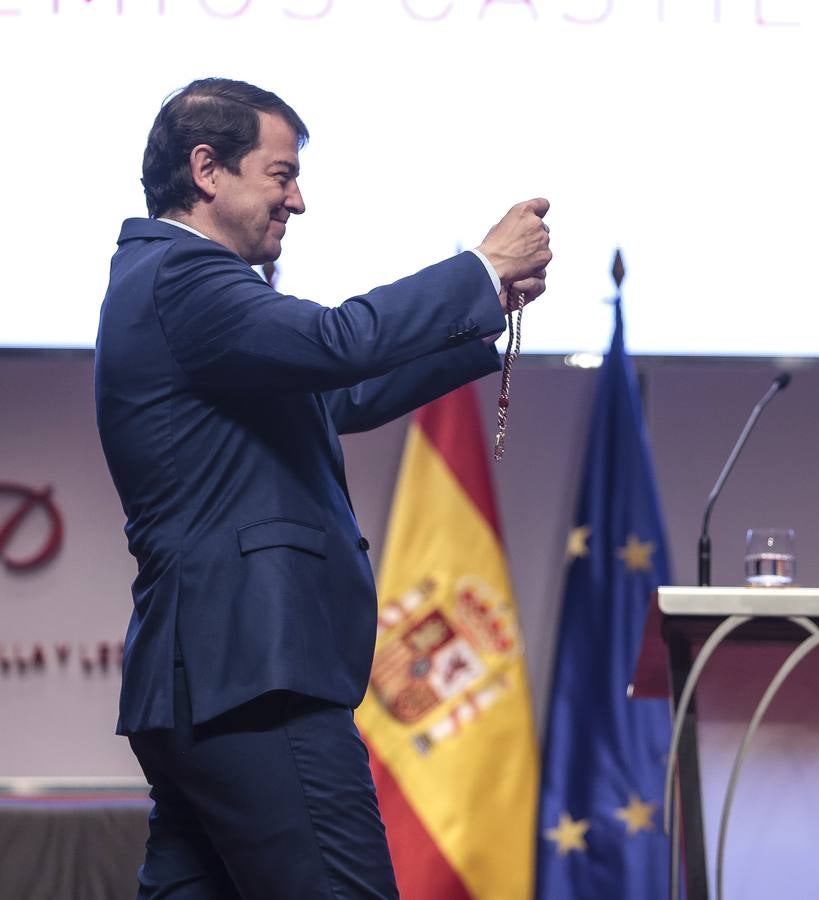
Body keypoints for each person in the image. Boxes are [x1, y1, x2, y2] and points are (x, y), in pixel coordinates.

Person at [94, 78, 551, 898]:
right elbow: (341, 342)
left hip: (205, 686)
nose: (297, 200)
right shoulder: (184, 278)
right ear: (207, 169)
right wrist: (480, 271)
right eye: (280, 175)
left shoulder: (169, 285)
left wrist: (482, 320)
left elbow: (337, 395)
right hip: (255, 682)